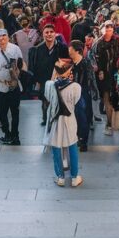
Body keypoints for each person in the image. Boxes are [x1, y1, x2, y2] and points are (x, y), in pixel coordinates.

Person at [44, 59, 82, 187]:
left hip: (55, 120)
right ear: (69, 71)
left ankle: (60, 177)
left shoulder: (49, 85)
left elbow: (48, 99)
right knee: (72, 147)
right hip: (69, 119)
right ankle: (74, 177)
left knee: (56, 147)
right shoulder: (76, 87)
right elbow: (76, 102)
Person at [0, 29, 23, 145]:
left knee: (15, 112)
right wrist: (1, 80)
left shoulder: (15, 49)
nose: (1, 39)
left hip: (14, 86)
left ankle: (15, 135)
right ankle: (7, 133)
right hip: (0, 86)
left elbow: (21, 64)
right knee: (2, 113)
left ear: (8, 37)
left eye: (3, 36)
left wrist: (15, 74)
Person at [33, 24, 69, 126]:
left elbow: (66, 64)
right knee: (45, 101)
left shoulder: (62, 48)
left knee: (58, 101)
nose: (49, 34)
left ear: (55, 33)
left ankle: (57, 120)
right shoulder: (38, 49)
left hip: (59, 80)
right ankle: (46, 118)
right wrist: (38, 82)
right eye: (47, 32)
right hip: (44, 80)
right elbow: (36, 66)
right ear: (43, 34)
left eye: (51, 32)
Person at [93, 20, 119, 135]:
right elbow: (95, 58)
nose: (108, 31)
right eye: (106, 29)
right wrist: (100, 71)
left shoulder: (117, 41)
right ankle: (109, 123)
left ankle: (116, 122)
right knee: (106, 98)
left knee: (117, 97)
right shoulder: (99, 43)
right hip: (104, 73)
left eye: (110, 29)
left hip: (116, 72)